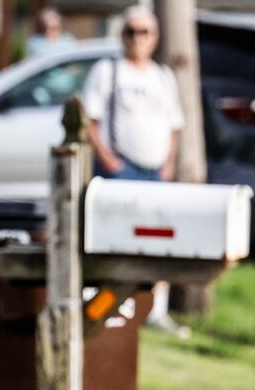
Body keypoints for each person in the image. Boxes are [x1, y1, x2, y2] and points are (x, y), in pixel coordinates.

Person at [81, 5, 190, 337]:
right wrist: (108, 158)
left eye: (143, 32)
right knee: (112, 237)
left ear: (154, 38)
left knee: (160, 239)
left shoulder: (162, 76)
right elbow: (88, 118)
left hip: (154, 170)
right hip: (121, 167)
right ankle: (105, 305)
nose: (137, 39)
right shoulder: (109, 70)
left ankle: (155, 309)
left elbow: (174, 124)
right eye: (130, 31)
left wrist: (169, 162)